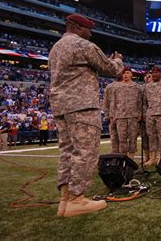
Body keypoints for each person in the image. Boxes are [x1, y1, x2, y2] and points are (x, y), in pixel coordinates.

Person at [49, 13, 123, 217]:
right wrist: (118, 60)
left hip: (61, 106)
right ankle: (76, 199)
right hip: (81, 105)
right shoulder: (82, 45)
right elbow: (110, 69)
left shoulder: (56, 48)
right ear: (79, 28)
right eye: (88, 29)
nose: (90, 33)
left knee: (67, 151)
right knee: (86, 152)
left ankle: (64, 200)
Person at [112, 68, 143, 159]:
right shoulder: (117, 87)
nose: (125, 75)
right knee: (122, 139)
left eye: (128, 73)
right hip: (120, 116)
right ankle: (123, 158)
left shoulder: (136, 87)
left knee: (133, 138)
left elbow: (140, 101)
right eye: (124, 73)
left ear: (131, 75)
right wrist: (114, 114)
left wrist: (139, 113)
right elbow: (114, 102)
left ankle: (131, 158)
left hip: (133, 116)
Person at [143, 66, 161, 165]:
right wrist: (145, 113)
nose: (154, 74)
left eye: (156, 72)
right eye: (152, 72)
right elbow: (144, 102)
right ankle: (153, 157)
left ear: (160, 74)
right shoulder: (147, 86)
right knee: (151, 136)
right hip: (150, 114)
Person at [103, 75, 121, 153]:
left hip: (123, 115)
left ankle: (123, 156)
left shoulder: (127, 85)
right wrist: (107, 115)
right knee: (113, 137)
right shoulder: (109, 86)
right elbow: (106, 102)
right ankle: (114, 155)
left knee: (123, 138)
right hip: (112, 115)